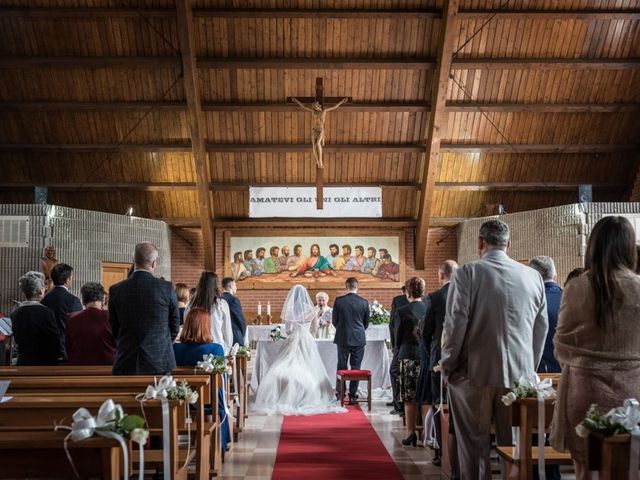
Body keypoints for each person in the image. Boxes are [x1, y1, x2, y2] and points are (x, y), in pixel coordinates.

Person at [441, 219, 548, 480]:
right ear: (509, 244)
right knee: (513, 447)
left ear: (480, 243)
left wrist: (447, 365)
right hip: (518, 378)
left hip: (473, 374)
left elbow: (456, 325)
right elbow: (541, 328)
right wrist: (528, 369)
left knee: (474, 449)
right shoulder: (533, 276)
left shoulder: (467, 273)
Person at [550, 216, 640, 480]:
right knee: (628, 467)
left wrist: (584, 359)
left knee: (585, 468)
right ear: (628, 247)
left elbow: (562, 344)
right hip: (632, 392)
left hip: (585, 389)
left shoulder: (578, 286)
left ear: (593, 246)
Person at [253, 285, 346, 415]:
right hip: (307, 339)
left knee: (288, 363)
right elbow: (314, 329)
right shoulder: (311, 310)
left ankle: (285, 394)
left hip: (293, 339)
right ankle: (308, 394)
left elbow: (287, 330)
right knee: (310, 367)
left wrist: (295, 331)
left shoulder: (290, 310)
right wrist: (307, 332)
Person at [109, 242, 180, 375]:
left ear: (133, 261)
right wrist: (162, 343)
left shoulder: (116, 290)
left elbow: (114, 326)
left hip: (127, 358)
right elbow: (175, 324)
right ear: (154, 263)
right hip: (159, 360)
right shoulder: (166, 288)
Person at [173, 308, 231, 452]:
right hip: (208, 401)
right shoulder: (215, 348)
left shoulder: (174, 348)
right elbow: (221, 379)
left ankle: (196, 439)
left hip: (181, 400)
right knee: (216, 393)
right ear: (207, 327)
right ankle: (215, 443)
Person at [420, 260, 458, 465]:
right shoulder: (468, 294)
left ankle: (441, 451)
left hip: (440, 357)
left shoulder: (434, 298)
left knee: (439, 401)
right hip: (465, 360)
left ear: (440, 275)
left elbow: (426, 333)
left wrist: (430, 357)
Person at [395, 276, 427, 447]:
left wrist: (397, 347)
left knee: (409, 398)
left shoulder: (402, 311)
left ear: (407, 293)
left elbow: (397, 337)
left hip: (408, 355)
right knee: (425, 396)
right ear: (423, 291)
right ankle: (428, 434)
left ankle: (410, 433)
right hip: (425, 356)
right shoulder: (429, 308)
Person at [332, 277, 370, 405]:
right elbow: (366, 323)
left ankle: (340, 393)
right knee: (356, 367)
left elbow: (334, 321)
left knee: (341, 366)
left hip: (342, 337)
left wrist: (343, 329)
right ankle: (353, 396)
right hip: (359, 338)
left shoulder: (339, 301)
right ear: (357, 287)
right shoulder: (364, 302)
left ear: (346, 286)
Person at [11, 271, 63, 365]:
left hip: (24, 361)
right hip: (44, 362)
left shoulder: (15, 313)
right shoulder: (46, 312)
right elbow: (54, 339)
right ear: (40, 291)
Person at [291, 97, 349, 168]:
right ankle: (317, 161)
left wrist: (342, 101)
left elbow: (334, 107)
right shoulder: (313, 112)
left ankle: (320, 160)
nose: (315, 107)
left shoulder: (324, 111)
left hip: (320, 130)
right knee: (314, 145)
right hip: (314, 130)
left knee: (318, 143)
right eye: (314, 106)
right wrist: (296, 100)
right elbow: (304, 106)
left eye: (316, 105)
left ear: (319, 106)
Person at [66, 282, 116, 365]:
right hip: (107, 367)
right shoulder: (111, 317)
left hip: (78, 368)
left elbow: (68, 346)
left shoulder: (71, 318)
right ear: (103, 299)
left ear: (83, 300)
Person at [41, 263, 82, 359]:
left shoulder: (44, 300)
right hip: (66, 350)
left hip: (46, 350)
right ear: (67, 279)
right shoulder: (73, 301)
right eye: (71, 277)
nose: (72, 279)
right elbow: (78, 328)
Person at [529, 256, 563, 374]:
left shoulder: (530, 302)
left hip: (540, 372)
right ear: (555, 275)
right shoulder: (570, 298)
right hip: (566, 372)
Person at [187, 272, 233, 354]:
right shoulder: (221, 304)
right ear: (215, 286)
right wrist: (225, 351)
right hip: (217, 347)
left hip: (194, 348)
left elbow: (186, 327)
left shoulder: (191, 305)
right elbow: (227, 332)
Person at [388, 285, 410, 415]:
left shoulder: (398, 301)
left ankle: (398, 404)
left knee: (394, 371)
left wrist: (393, 344)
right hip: (420, 346)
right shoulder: (425, 302)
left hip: (402, 345)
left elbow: (393, 325)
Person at [222, 277, 247, 346]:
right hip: (235, 336)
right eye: (235, 285)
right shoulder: (234, 300)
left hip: (222, 336)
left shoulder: (218, 299)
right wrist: (242, 333)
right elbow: (240, 320)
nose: (236, 288)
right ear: (230, 286)